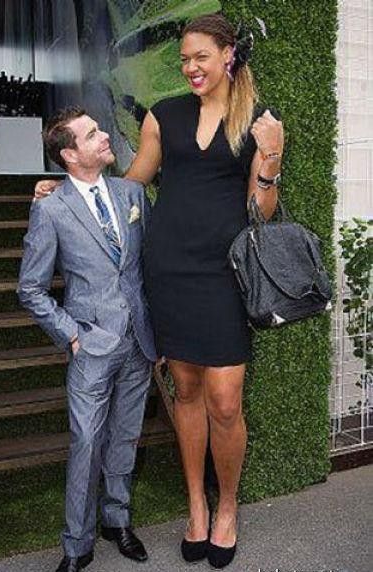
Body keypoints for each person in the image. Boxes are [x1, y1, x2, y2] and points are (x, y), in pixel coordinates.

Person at [35, 13, 284, 570]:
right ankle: (197, 505)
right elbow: (129, 185)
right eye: (184, 59)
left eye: (200, 57)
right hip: (168, 272)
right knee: (187, 393)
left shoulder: (259, 122)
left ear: (228, 55)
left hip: (224, 277)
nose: (190, 67)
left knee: (225, 402)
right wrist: (69, 189)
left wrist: (269, 157)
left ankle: (227, 507)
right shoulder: (164, 116)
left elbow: (261, 213)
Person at [18, 106, 156, 572]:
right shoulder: (51, 209)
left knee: (126, 436)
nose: (104, 137)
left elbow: (148, 265)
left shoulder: (132, 193)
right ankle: (77, 544)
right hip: (90, 346)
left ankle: (117, 520)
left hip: (138, 340)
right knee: (86, 444)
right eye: (92, 134)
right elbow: (30, 289)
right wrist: (72, 336)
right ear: (70, 155)